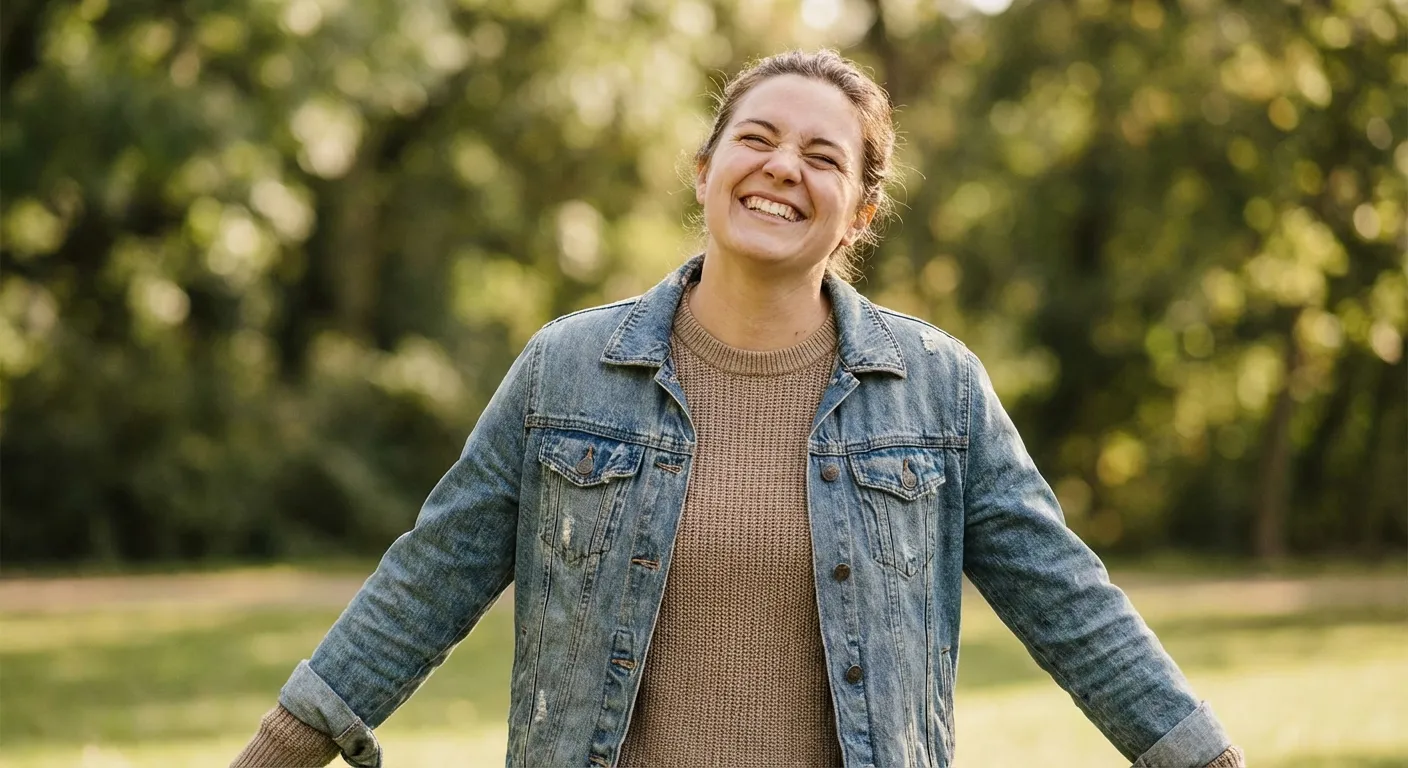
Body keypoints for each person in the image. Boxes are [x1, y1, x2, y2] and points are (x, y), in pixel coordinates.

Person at [232, 49, 1245, 768]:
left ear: (860, 211)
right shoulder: (565, 372)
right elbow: (425, 585)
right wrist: (274, 755)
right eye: (755, 138)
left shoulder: (938, 392)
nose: (781, 168)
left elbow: (1073, 609)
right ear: (706, 168)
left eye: (822, 156)